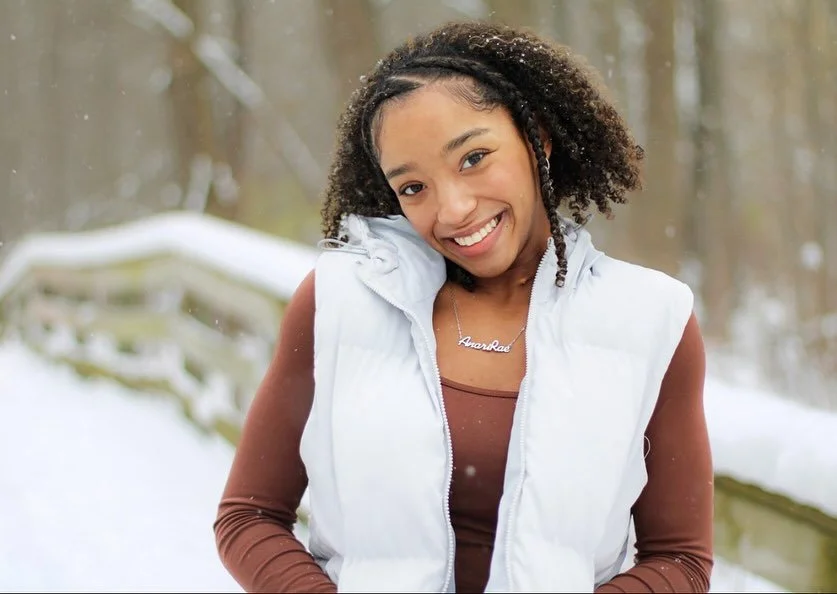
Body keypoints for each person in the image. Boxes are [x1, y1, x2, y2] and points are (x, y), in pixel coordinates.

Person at [214, 20, 714, 593]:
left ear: (537, 137)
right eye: (413, 187)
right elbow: (249, 517)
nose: (452, 210)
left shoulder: (650, 319)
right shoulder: (339, 301)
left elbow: (680, 559)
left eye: (473, 157)